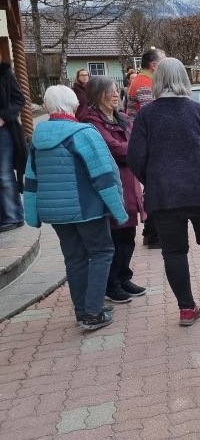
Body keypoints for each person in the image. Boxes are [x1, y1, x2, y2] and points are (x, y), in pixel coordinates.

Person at [127, 57, 200, 326]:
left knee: (173, 252)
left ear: (157, 80)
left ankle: (186, 308)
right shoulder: (197, 111)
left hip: (164, 194)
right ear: (183, 79)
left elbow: (135, 158)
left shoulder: (146, 116)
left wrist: (154, 179)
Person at [23, 85, 128, 331]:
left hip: (56, 213)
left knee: (74, 258)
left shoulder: (38, 137)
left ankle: (83, 310)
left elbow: (31, 177)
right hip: (87, 207)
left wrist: (32, 214)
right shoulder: (83, 133)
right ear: (74, 104)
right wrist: (118, 209)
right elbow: (104, 175)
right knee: (101, 252)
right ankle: (93, 311)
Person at [80, 76, 147, 304]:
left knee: (128, 235)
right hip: (110, 185)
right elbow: (114, 149)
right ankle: (111, 284)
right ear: (98, 94)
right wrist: (134, 149)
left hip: (130, 183)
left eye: (117, 90)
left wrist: (135, 149)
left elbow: (138, 144)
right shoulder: (91, 123)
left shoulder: (123, 119)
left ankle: (124, 277)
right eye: (111, 91)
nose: (117, 94)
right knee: (114, 237)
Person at [127, 49, 165, 248]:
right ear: (154, 65)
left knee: (152, 188)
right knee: (154, 189)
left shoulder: (142, 80)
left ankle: (150, 233)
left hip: (144, 141)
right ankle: (153, 234)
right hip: (150, 144)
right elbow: (153, 117)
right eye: (163, 61)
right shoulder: (145, 84)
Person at [0, 62, 26, 232]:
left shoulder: (4, 74)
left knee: (4, 175)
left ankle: (13, 216)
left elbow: (19, 100)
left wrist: (3, 117)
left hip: (4, 131)